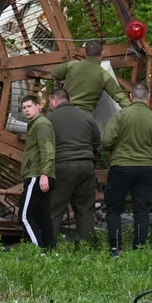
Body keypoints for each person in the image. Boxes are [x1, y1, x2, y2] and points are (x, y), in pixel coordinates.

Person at [101, 82, 152, 257]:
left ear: (131, 97)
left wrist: (115, 150)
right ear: (147, 98)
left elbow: (106, 140)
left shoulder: (120, 116)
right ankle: (139, 249)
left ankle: (115, 248)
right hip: (144, 169)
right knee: (141, 210)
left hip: (120, 168)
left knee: (114, 208)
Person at [46, 88, 101, 244]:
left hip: (62, 166)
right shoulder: (86, 117)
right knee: (85, 208)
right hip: (86, 166)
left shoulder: (49, 119)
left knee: (55, 209)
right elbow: (97, 141)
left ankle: (47, 247)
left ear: (54, 99)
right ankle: (87, 247)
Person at [32, 40, 128, 112]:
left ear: (85, 53)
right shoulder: (103, 75)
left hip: (64, 110)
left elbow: (55, 74)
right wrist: (135, 110)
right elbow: (119, 96)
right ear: (101, 54)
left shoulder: (72, 65)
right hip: (84, 116)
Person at [19, 95, 56, 249]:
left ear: (38, 107)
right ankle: (49, 249)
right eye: (24, 108)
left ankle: (38, 251)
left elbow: (47, 150)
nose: (26, 110)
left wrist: (44, 175)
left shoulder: (40, 124)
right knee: (42, 216)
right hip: (38, 175)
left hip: (37, 175)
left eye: (29, 106)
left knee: (25, 216)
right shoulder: (35, 124)